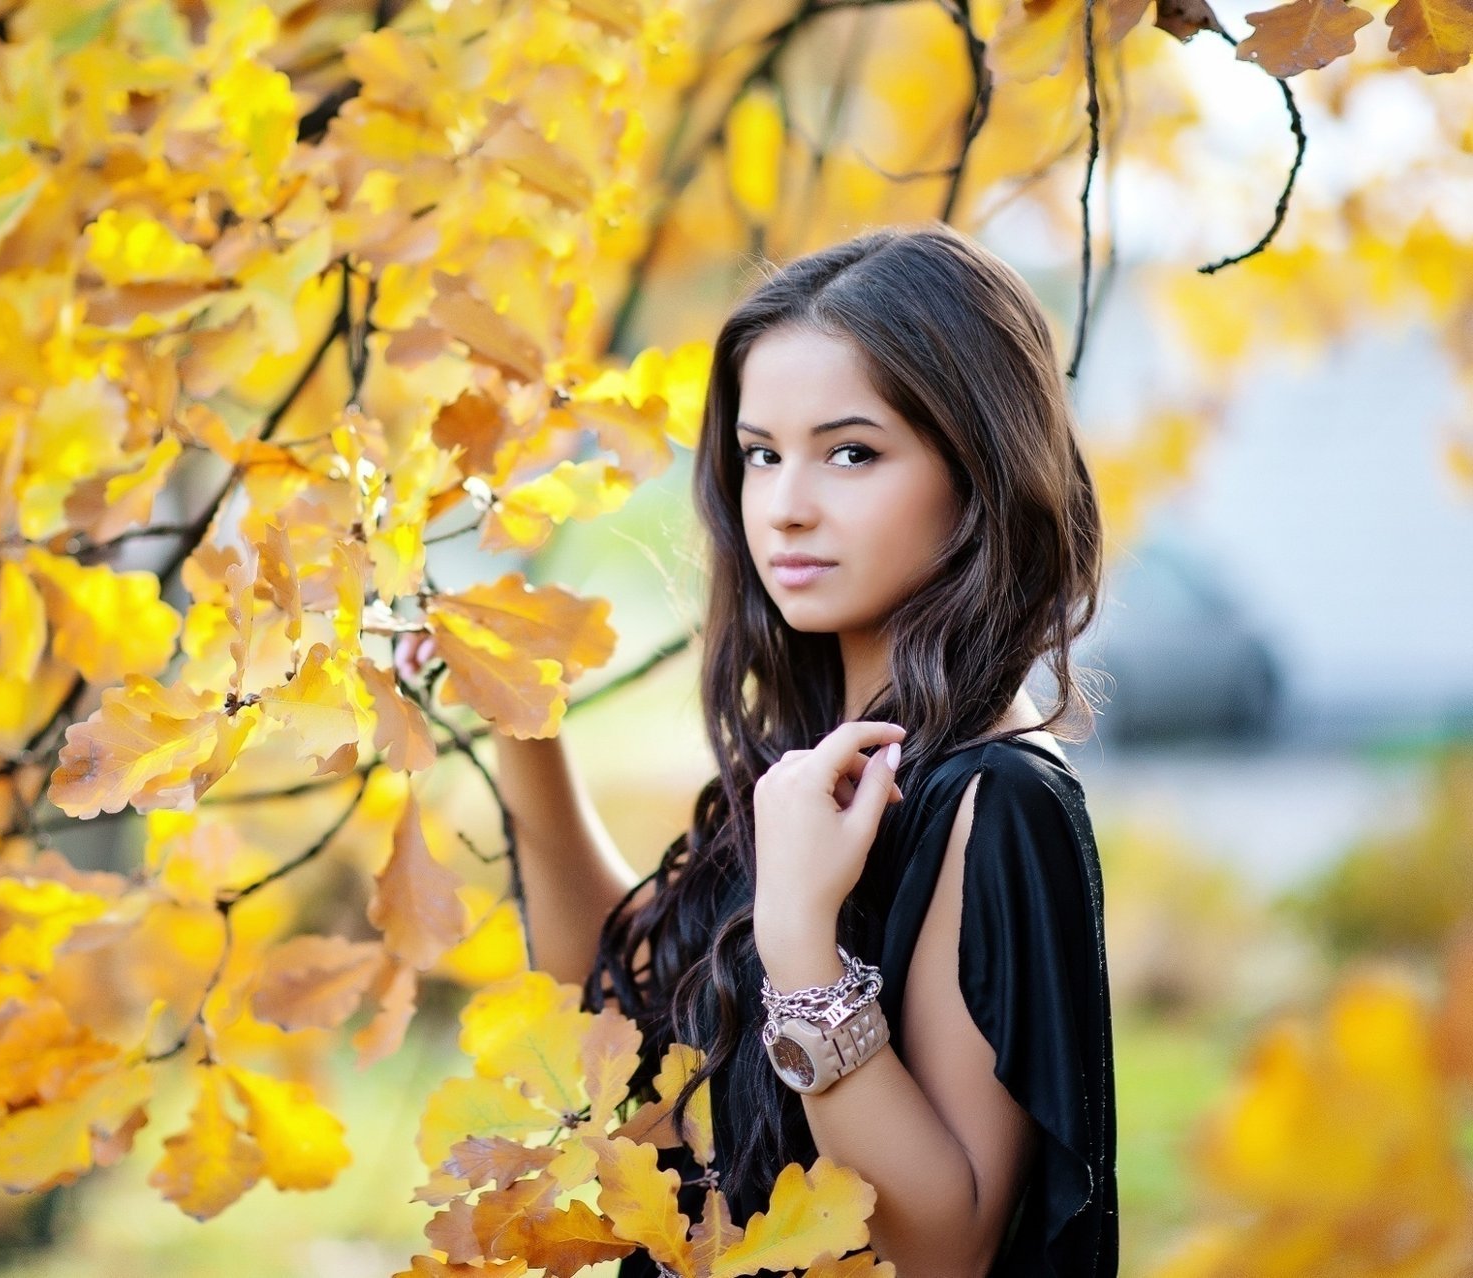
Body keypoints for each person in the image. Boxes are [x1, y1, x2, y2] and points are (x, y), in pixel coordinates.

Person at [395, 223, 1118, 1278]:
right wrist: (523, 721)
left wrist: (800, 941)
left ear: (981, 470)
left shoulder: (996, 802)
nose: (784, 507)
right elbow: (619, 1024)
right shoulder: (817, 766)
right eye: (761, 455)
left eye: (852, 452)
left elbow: (944, 1246)